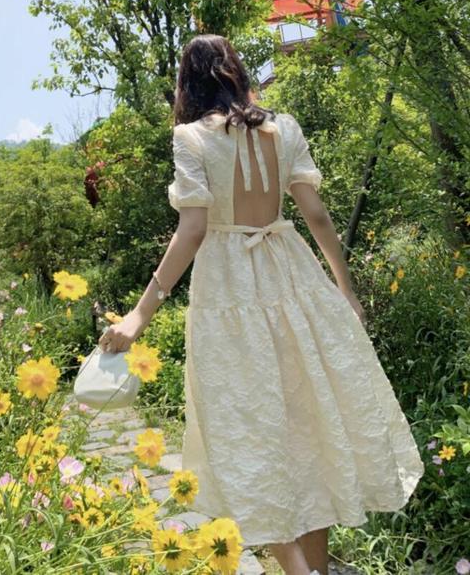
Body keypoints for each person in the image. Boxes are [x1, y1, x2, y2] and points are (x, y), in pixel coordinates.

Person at [98, 33, 425, 575]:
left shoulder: (190, 138)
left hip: (229, 291)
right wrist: (345, 290)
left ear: (188, 82)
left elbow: (194, 228)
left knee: (242, 441)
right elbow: (316, 215)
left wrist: (140, 314)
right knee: (306, 433)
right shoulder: (284, 127)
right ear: (237, 71)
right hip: (291, 275)